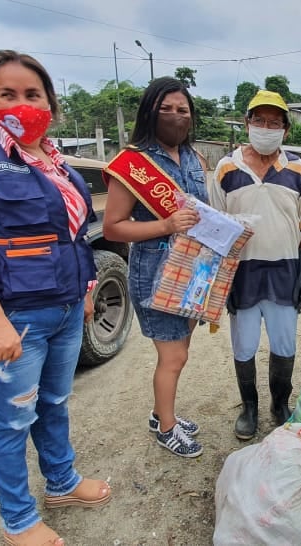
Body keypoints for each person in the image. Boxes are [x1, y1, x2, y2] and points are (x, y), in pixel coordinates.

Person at [0, 50, 110, 546]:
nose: (22, 104)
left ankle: (62, 483)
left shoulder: (58, 163)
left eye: (33, 94)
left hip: (65, 310)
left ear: (50, 102)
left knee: (54, 402)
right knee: (10, 420)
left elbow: (72, 237)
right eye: (8, 94)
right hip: (13, 317)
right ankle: (18, 520)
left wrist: (85, 292)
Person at [102, 77, 208, 458]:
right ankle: (166, 428)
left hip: (193, 273)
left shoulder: (195, 158)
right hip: (155, 273)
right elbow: (113, 227)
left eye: (183, 110)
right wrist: (166, 225)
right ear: (149, 112)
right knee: (173, 356)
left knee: (182, 349)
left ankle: (161, 413)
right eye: (166, 109)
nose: (176, 116)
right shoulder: (133, 164)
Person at [208, 90, 301, 441]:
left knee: (284, 344)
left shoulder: (297, 168)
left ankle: (279, 404)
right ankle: (250, 407)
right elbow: (214, 230)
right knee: (244, 345)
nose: (266, 128)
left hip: (285, 270)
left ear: (286, 129)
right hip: (242, 273)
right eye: (260, 121)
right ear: (247, 123)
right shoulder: (227, 168)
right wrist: (221, 281)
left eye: (274, 123)